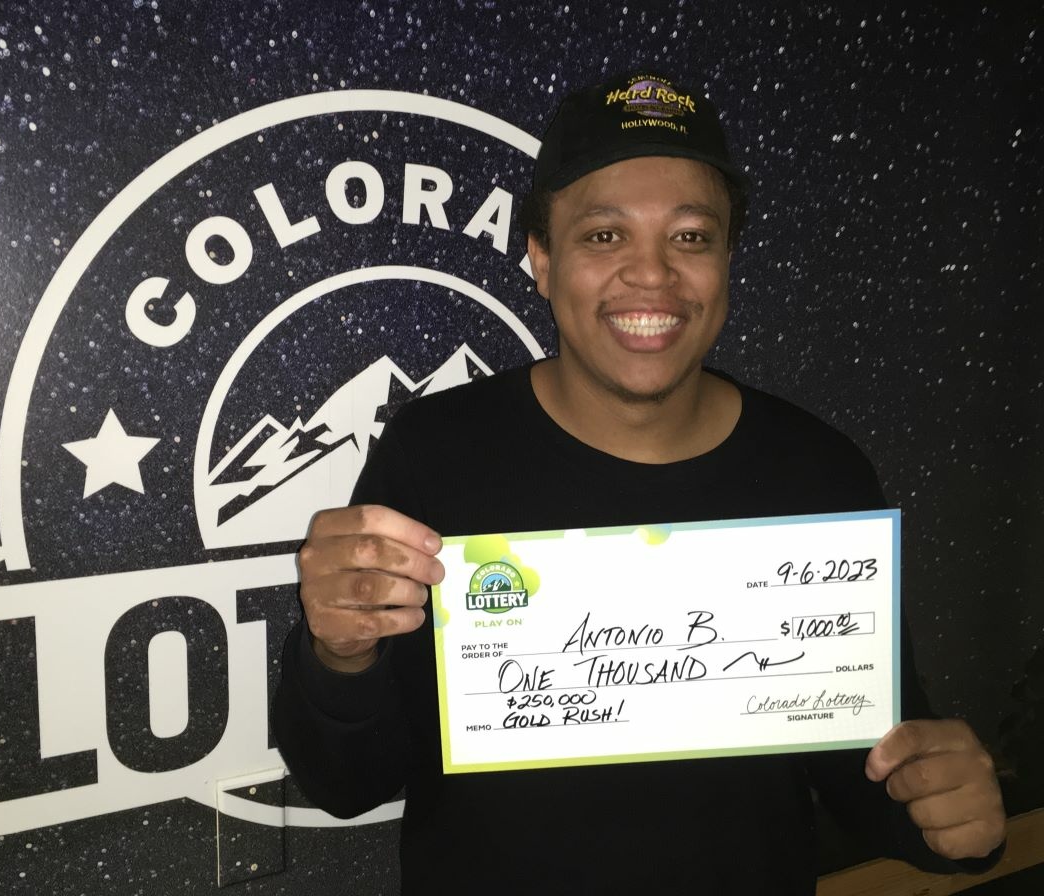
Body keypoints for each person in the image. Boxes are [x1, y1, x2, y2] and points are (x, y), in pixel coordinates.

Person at [274, 69, 1005, 894]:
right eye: (603, 236)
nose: (652, 275)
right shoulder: (436, 453)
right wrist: (339, 655)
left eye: (691, 236)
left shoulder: (819, 473)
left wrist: (944, 813)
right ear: (541, 260)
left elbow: (865, 770)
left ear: (727, 261)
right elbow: (346, 783)